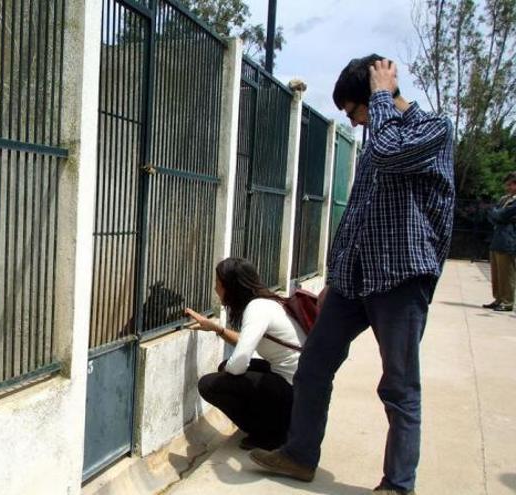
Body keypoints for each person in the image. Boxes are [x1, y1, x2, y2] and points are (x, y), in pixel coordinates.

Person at [249, 55, 455, 495]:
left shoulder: (432, 130)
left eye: (353, 111)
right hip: (354, 282)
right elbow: (356, 215)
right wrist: (333, 281)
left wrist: (380, 95)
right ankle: (299, 455)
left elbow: (386, 153)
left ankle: (398, 485)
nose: (356, 123)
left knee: (399, 388)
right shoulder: (376, 136)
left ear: (372, 99)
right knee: (314, 366)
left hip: (401, 279)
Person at [184, 257, 306, 451]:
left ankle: (270, 435)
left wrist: (231, 370)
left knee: (209, 384)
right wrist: (217, 329)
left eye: (218, 283)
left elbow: (239, 362)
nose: (215, 289)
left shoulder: (256, 309)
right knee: (226, 369)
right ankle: (269, 423)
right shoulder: (268, 302)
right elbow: (245, 342)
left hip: (292, 393)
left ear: (230, 287)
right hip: (299, 388)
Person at [483, 171, 516, 312]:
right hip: (497, 238)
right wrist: (497, 215)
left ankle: (507, 301)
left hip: (509, 240)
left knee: (507, 273)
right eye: (507, 184)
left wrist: (497, 215)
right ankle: (498, 298)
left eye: (511, 184)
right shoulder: (504, 199)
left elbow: (502, 215)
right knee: (496, 273)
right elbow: (492, 215)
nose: (507, 187)